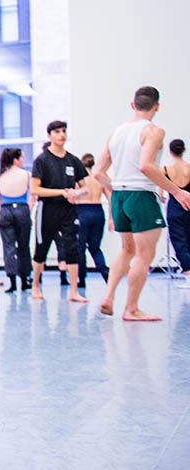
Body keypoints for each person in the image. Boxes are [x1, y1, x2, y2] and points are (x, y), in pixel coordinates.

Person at [94, 87, 190, 320]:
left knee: (127, 250)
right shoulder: (154, 131)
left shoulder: (116, 132)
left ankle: (108, 296)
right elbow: (146, 166)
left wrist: (116, 188)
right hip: (141, 196)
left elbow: (98, 172)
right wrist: (177, 192)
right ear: (157, 106)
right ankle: (132, 309)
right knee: (144, 256)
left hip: (120, 195)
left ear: (132, 105)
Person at [30, 121, 89, 303]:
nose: (61, 135)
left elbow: (85, 188)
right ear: (50, 135)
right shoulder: (42, 160)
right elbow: (35, 189)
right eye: (57, 132)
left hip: (68, 210)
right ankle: (36, 286)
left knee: (72, 248)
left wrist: (75, 193)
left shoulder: (73, 160)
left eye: (64, 131)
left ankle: (73, 291)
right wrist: (62, 192)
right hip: (47, 208)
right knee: (42, 248)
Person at [0, 148, 33, 294]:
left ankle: (12, 282)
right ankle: (24, 280)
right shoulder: (26, 174)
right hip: (22, 209)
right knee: (24, 246)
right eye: (21, 158)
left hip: (5, 210)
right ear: (16, 159)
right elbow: (33, 194)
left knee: (8, 246)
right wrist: (27, 209)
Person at [75, 153, 111, 288]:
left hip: (82, 211)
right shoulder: (99, 179)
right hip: (98, 211)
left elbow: (72, 197)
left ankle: (82, 279)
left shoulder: (79, 179)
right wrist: (112, 218)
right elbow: (110, 197)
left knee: (80, 248)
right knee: (95, 248)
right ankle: (104, 271)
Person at [163, 140, 190, 284]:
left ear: (170, 151)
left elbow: (161, 194)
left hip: (174, 207)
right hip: (189, 204)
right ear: (183, 150)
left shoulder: (166, 169)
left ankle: (188, 273)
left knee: (179, 241)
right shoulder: (189, 167)